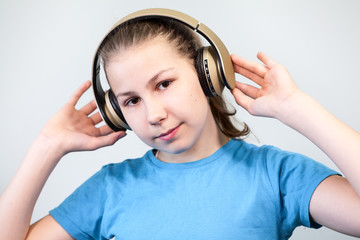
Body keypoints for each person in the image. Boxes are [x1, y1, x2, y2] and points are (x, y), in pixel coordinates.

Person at [1, 16, 360, 240]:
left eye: (163, 84)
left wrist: (298, 109)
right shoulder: (111, 188)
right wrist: (48, 145)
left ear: (208, 73)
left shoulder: (277, 174)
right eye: (131, 101)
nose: (153, 114)